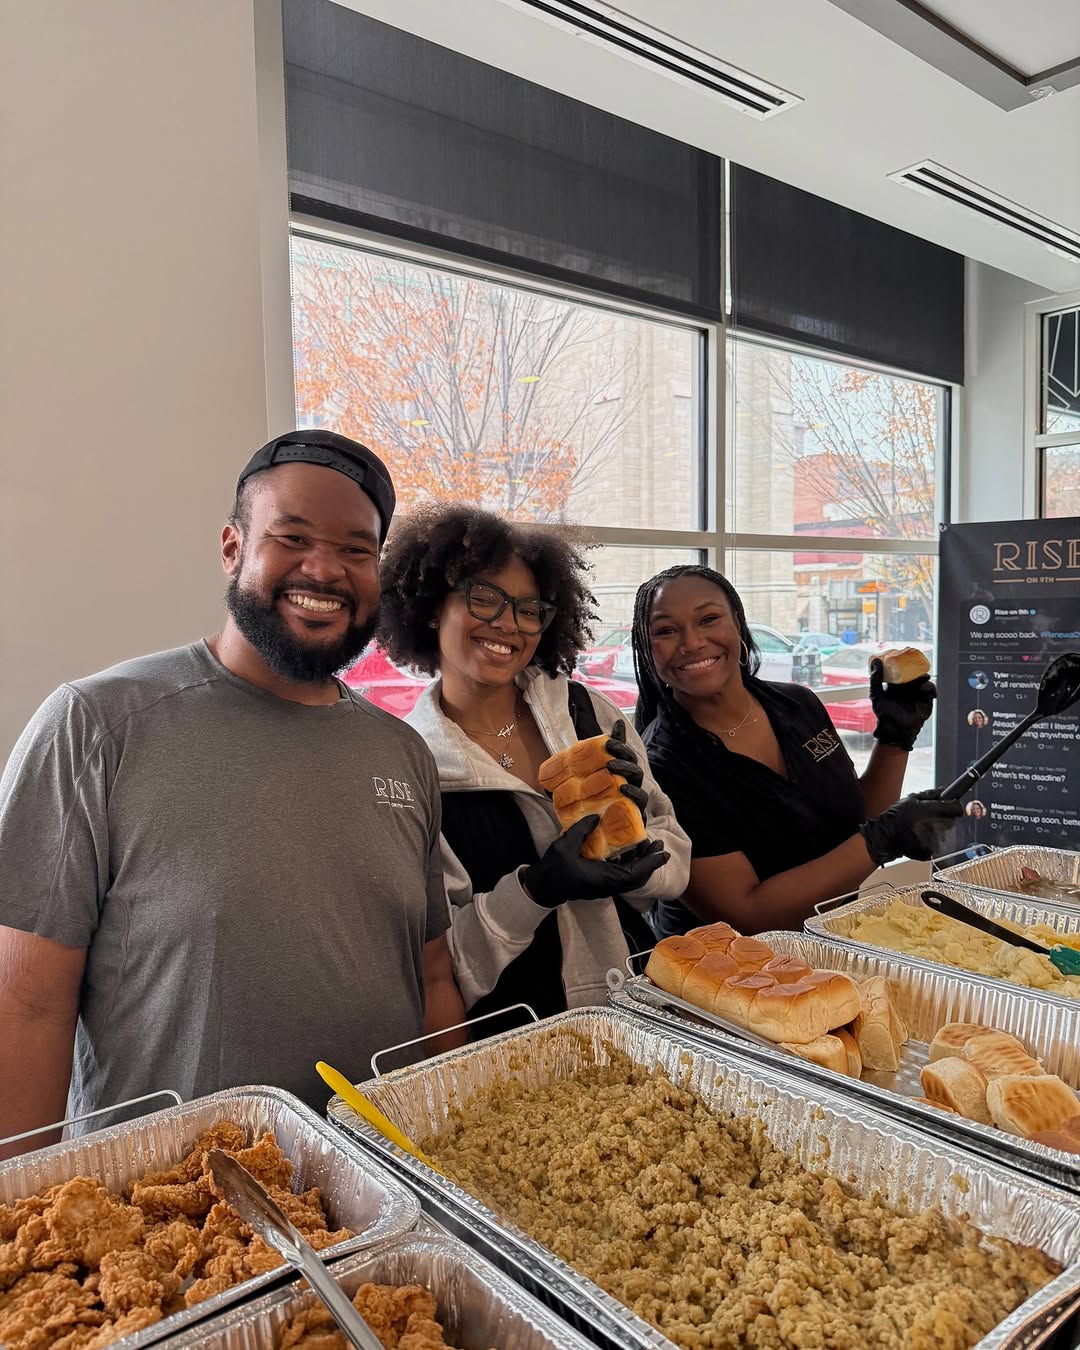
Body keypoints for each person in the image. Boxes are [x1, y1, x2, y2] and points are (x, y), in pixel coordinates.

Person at [0, 430, 463, 1156]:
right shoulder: (97, 725)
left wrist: (448, 1150)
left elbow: (431, 975)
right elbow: (25, 1005)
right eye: (293, 536)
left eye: (355, 550)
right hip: (177, 1219)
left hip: (390, 1190)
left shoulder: (399, 751)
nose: (325, 570)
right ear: (232, 547)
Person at [378, 504, 690, 1020]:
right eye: (484, 598)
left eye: (530, 609)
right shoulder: (414, 765)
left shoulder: (588, 715)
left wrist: (636, 859)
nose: (508, 624)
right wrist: (533, 891)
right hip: (516, 1039)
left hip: (640, 1008)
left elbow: (675, 859)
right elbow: (441, 964)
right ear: (433, 607)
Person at [630, 565, 962, 938]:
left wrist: (896, 738)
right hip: (728, 973)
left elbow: (857, 820)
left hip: (830, 939)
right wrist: (881, 840)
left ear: (737, 625)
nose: (691, 642)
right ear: (648, 650)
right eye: (666, 631)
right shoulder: (664, 764)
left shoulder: (797, 704)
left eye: (708, 618)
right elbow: (747, 914)